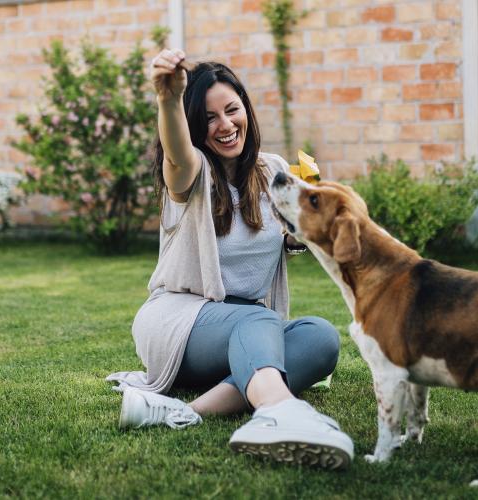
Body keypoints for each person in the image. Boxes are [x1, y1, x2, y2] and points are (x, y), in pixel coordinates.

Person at [105, 48, 353, 469]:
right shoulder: (193, 173)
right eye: (209, 118)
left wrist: (301, 233)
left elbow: (295, 234)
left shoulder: (273, 169)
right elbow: (177, 156)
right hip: (180, 323)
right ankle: (279, 411)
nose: (225, 125)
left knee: (321, 338)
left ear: (246, 110)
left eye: (231, 110)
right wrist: (169, 99)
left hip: (242, 332)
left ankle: (183, 412)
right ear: (193, 126)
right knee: (259, 319)